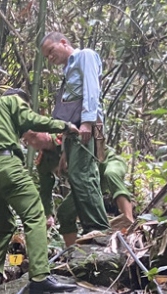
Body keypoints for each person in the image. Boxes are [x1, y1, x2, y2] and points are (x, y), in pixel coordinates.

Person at [0, 88, 79, 294]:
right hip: (5, 164)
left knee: (4, 224)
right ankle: (40, 276)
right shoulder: (11, 101)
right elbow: (30, 119)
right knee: (34, 215)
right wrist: (64, 126)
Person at [39, 32, 110, 237]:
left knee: (83, 175)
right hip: (73, 129)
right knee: (79, 175)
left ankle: (98, 228)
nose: (50, 58)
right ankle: (91, 229)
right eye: (47, 56)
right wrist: (64, 150)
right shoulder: (67, 70)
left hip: (85, 124)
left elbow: (91, 88)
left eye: (51, 51)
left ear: (63, 43)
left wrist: (87, 122)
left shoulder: (85, 56)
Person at [24, 131, 134, 246]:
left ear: (45, 131)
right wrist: (47, 214)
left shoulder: (67, 138)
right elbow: (45, 190)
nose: (33, 142)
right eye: (28, 141)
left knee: (111, 174)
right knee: (64, 212)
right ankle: (72, 251)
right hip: (88, 183)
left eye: (34, 136)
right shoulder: (44, 162)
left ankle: (128, 219)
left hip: (107, 163)